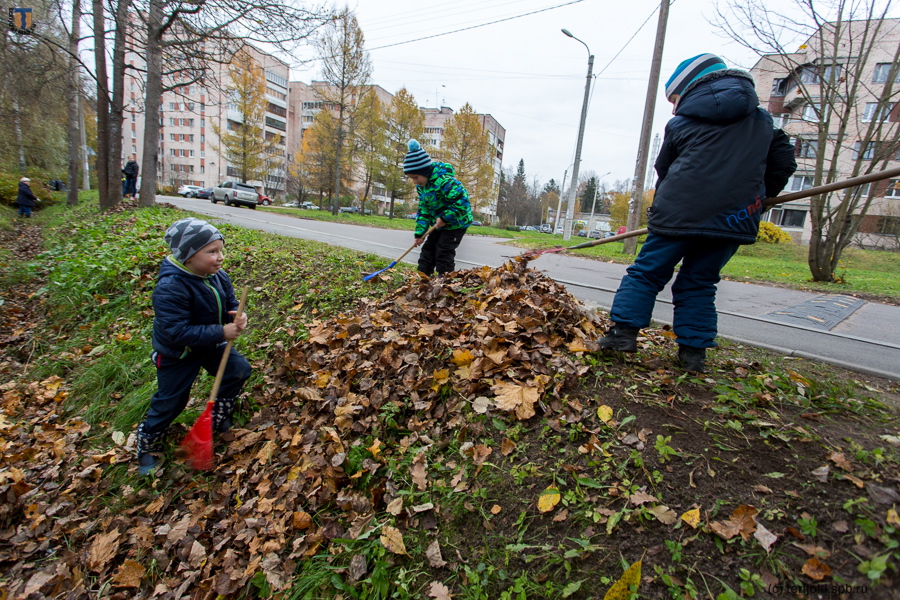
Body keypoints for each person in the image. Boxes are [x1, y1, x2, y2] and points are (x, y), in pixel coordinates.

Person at [598, 53, 796, 373]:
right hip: (735, 216)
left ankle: (623, 335)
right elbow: (784, 162)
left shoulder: (681, 122)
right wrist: (761, 195)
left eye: (675, 98)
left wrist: (663, 207)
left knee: (647, 273)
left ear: (690, 88)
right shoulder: (763, 122)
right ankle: (693, 355)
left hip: (678, 213)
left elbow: (664, 168)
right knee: (700, 282)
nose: (674, 107)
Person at [135, 217, 251, 474]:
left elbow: (231, 302)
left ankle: (218, 414)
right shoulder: (170, 287)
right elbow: (176, 332)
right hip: (178, 353)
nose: (220, 257)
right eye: (212, 252)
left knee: (238, 370)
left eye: (221, 249)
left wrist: (238, 316)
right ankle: (148, 441)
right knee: (172, 401)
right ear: (188, 257)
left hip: (210, 345)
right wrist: (222, 331)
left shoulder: (218, 276)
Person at [404, 139, 473, 276]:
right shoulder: (422, 187)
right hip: (439, 223)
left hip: (457, 223)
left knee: (443, 251)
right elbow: (423, 210)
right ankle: (423, 281)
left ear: (424, 171)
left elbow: (463, 201)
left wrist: (445, 217)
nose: (415, 181)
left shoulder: (445, 181)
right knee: (427, 250)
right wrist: (419, 233)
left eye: (416, 177)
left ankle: (445, 284)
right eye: (412, 178)